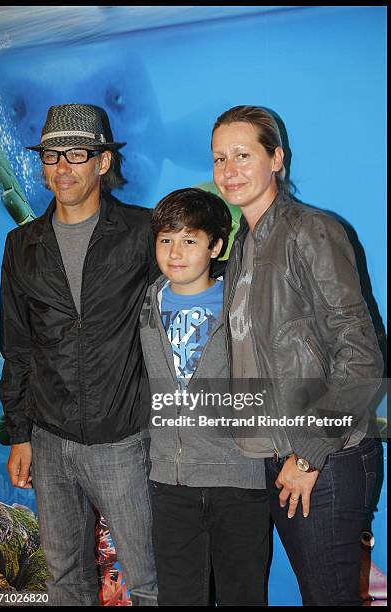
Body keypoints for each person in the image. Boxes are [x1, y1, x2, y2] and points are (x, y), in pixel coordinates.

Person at [211, 105, 383, 606]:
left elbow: (361, 358)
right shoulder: (242, 243)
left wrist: (308, 453)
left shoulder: (310, 231)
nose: (230, 170)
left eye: (244, 155)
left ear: (277, 158)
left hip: (325, 457)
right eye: (220, 159)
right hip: (277, 456)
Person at [0, 104, 158, 606]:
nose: (62, 166)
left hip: (124, 440)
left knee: (152, 579)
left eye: (76, 153)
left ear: (102, 162)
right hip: (48, 439)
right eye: (50, 155)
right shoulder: (21, 244)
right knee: (65, 578)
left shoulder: (143, 233)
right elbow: (18, 346)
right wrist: (20, 434)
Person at [139, 187, 270, 606]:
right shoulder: (146, 301)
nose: (175, 252)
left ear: (216, 245)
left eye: (190, 240)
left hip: (238, 478)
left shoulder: (243, 302)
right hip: (170, 481)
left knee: (242, 595)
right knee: (178, 598)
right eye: (166, 239)